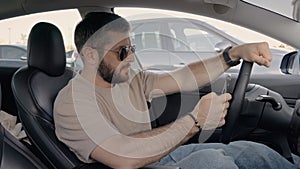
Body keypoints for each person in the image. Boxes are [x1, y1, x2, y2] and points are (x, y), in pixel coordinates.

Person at [54, 12, 299, 169]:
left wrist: (232, 54)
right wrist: (196, 121)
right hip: (133, 165)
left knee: (249, 151)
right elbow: (122, 156)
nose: (131, 58)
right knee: (213, 162)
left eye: (132, 48)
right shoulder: (72, 103)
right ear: (90, 54)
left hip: (158, 158)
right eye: (122, 52)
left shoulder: (129, 80)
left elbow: (184, 77)